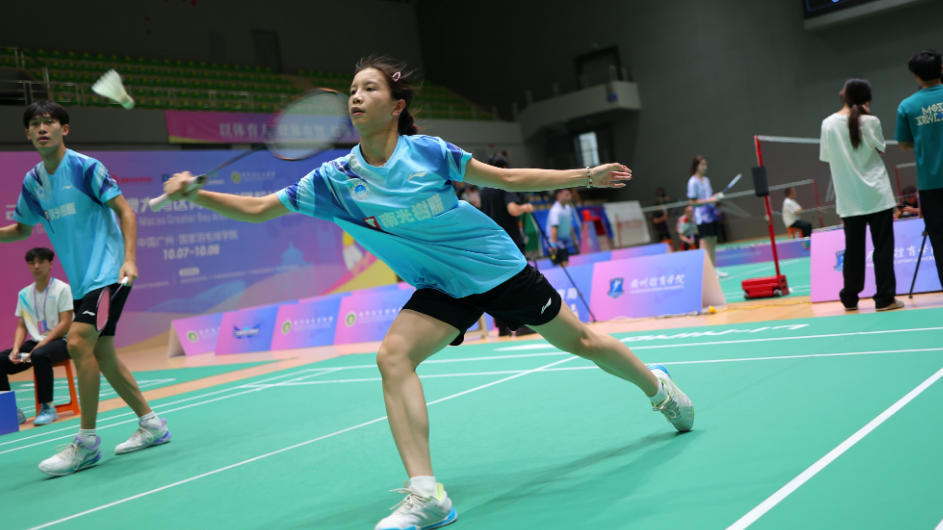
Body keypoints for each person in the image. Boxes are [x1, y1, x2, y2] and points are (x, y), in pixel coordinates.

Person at [162, 56, 694, 530]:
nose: (356, 97)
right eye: (353, 90)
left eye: (369, 88)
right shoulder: (335, 180)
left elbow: (507, 179)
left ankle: (659, 389)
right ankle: (427, 495)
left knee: (582, 342)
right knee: (393, 357)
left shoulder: (429, 153)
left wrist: (586, 175)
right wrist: (197, 194)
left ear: (396, 106)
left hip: (494, 268)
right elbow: (259, 208)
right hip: (440, 286)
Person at [0, 101, 171, 476]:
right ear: (27, 133)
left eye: (49, 122)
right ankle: (152, 424)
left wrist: (129, 259)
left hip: (110, 272)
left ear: (64, 129)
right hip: (82, 282)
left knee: (78, 343)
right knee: (104, 354)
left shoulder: (85, 168)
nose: (42, 128)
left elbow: (125, 211)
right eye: (34, 124)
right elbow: (22, 230)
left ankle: (87, 442)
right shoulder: (33, 182)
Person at [820, 79, 903, 312]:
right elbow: (880, 150)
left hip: (849, 198)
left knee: (853, 250)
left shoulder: (827, 124)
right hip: (877, 195)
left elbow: (827, 157)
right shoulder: (872, 121)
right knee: (883, 248)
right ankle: (885, 299)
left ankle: (850, 298)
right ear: (867, 99)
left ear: (845, 95)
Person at [0, 248, 73, 426]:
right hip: (35, 344)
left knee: (40, 355)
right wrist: (16, 349)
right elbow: (21, 325)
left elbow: (65, 323)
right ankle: (9, 411)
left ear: (50, 264)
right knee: (1, 360)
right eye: (32, 263)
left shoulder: (63, 289)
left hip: (62, 342)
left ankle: (47, 407)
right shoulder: (24, 294)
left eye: (41, 262)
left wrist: (42, 345)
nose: (37, 266)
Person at [896, 49, 943, 287]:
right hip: (929, 185)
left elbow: (904, 144)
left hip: (930, 185)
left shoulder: (907, 106)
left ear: (915, 76)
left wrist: (925, 137)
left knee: (939, 240)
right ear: (941, 69)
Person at [479, 155, 536, 336]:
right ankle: (521, 326)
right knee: (518, 283)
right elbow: (512, 209)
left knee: (499, 286)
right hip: (509, 243)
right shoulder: (504, 184)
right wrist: (525, 208)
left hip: (491, 244)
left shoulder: (484, 190)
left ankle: (503, 328)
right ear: (504, 168)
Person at [686, 156, 727, 277]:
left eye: (705, 164)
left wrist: (716, 196)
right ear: (696, 166)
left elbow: (709, 197)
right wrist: (710, 200)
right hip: (702, 217)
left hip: (712, 214)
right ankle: (706, 273)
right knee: (706, 244)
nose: (705, 167)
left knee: (713, 242)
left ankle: (714, 269)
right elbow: (692, 202)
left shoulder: (707, 180)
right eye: (702, 165)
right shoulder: (692, 182)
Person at [547, 188, 580, 265]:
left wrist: (575, 239)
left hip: (564, 241)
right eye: (567, 195)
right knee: (564, 263)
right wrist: (553, 245)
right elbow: (554, 229)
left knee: (563, 264)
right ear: (559, 196)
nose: (570, 197)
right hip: (556, 241)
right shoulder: (555, 210)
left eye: (570, 195)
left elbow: (570, 225)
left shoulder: (568, 208)